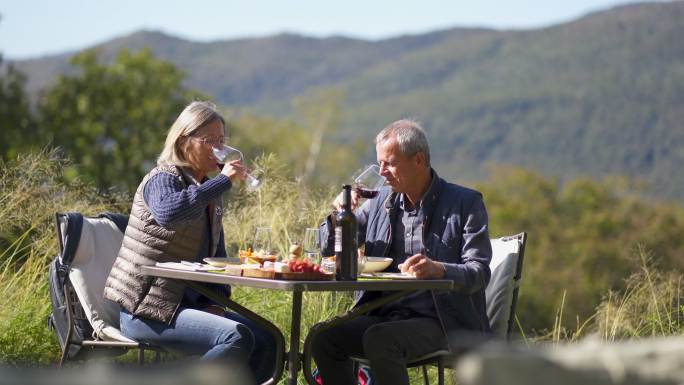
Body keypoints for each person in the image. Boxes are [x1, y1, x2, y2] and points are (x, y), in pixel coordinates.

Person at [103, 101, 274, 384]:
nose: (219, 149)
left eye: (222, 141)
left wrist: (216, 302)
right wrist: (221, 182)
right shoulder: (162, 179)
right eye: (210, 141)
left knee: (267, 339)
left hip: (186, 307)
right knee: (235, 337)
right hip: (146, 310)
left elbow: (216, 255)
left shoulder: (207, 192)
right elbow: (172, 214)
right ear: (184, 140)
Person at [312, 119, 492, 385]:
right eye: (379, 163)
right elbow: (326, 246)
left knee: (381, 339)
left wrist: (439, 269)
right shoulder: (380, 203)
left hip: (443, 321)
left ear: (418, 160)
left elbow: (479, 272)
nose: (382, 172)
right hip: (383, 315)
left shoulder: (465, 203)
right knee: (324, 337)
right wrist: (341, 216)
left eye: (390, 163)